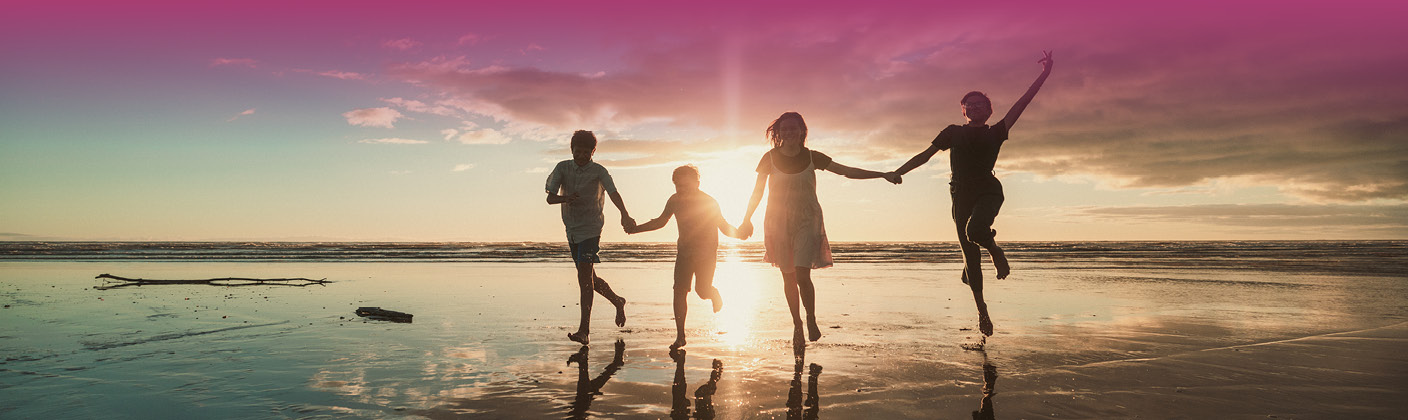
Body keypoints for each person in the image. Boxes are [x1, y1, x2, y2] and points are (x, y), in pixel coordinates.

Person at [891, 51, 1054, 337]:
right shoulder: (953, 132)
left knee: (975, 230)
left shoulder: (997, 131)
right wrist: (899, 171)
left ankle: (995, 251)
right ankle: (982, 311)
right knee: (969, 256)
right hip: (960, 195)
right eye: (970, 105)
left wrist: (1044, 74)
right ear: (963, 110)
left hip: (988, 191)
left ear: (989, 110)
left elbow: (1024, 102)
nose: (976, 107)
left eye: (981, 104)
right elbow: (926, 155)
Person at [738, 112, 900, 345]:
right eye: (785, 129)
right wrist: (746, 219)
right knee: (788, 277)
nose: (790, 132)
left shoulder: (813, 157)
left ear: (802, 132)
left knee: (803, 275)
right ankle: (797, 325)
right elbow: (757, 192)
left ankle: (811, 318)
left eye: (794, 128)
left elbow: (847, 171)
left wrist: (882, 174)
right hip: (777, 222)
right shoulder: (769, 158)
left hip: (807, 220)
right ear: (779, 133)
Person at [626, 165, 745, 350]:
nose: (681, 190)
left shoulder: (709, 202)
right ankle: (680, 336)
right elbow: (660, 221)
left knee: (702, 290)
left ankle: (713, 293)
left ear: (697, 184)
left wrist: (740, 234)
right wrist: (636, 229)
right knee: (679, 291)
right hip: (684, 252)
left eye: (685, 186)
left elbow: (723, 226)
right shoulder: (674, 200)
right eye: (677, 186)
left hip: (706, 253)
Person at [546, 130, 635, 345]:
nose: (582, 156)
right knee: (588, 278)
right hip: (572, 229)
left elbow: (613, 192)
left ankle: (584, 331)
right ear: (572, 150)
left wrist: (625, 214)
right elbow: (550, 198)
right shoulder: (563, 168)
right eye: (578, 152)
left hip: (592, 229)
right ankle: (618, 300)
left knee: (584, 279)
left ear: (593, 151)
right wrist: (566, 198)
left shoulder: (599, 171)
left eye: (587, 152)